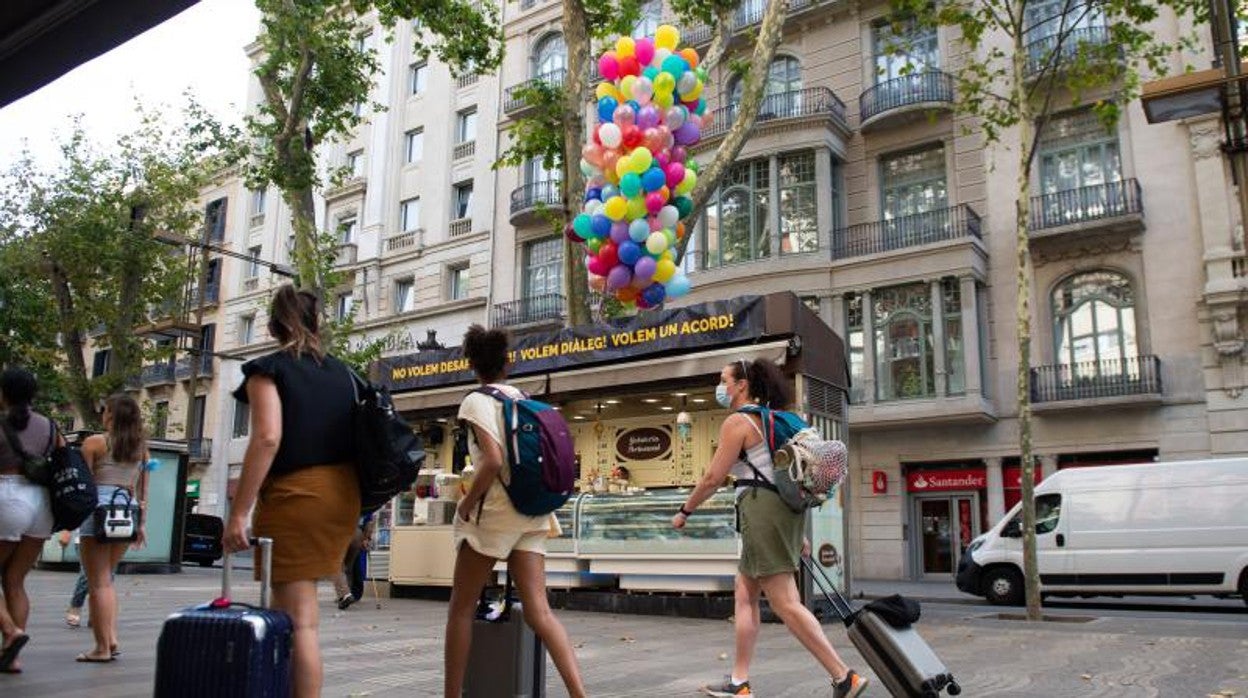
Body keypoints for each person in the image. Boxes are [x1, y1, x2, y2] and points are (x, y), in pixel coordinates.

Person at [673, 359, 868, 698]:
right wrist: (797, 529)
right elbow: (787, 477)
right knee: (744, 593)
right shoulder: (780, 420)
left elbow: (712, 477)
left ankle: (843, 676)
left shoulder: (739, 421)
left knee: (785, 602)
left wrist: (685, 510)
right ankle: (739, 681)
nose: (720, 387)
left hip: (762, 510)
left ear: (741, 385)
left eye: (724, 380)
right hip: (781, 511)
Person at [223, 284, 360, 698]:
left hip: (297, 494)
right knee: (301, 615)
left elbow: (266, 438)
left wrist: (239, 512)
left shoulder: (268, 370)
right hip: (343, 494)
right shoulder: (345, 374)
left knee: (298, 619)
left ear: (271, 326)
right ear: (318, 321)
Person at [443, 325, 586, 698]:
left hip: (496, 512)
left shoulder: (475, 400)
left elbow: (491, 459)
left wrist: (466, 503)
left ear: (472, 363)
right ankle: (579, 695)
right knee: (540, 611)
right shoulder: (520, 396)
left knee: (461, 609)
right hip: (533, 510)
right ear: (507, 363)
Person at [77, 393, 149, 663]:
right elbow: (143, 490)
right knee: (107, 578)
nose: (102, 415)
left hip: (98, 510)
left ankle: (101, 647)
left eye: (105, 411)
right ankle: (111, 638)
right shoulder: (141, 447)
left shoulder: (94, 443)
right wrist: (141, 523)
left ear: (111, 415)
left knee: (98, 582)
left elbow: (84, 485)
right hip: (127, 509)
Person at [0, 367, 60, 674]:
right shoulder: (49, 425)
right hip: (42, 505)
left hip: (8, 498)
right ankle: (13, 657)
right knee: (14, 579)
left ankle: (11, 632)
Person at [331, 513, 376, 610]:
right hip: (357, 533)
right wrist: (366, 538)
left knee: (336, 566)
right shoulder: (364, 503)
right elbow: (369, 523)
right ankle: (350, 593)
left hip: (340, 532)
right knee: (349, 567)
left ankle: (345, 595)